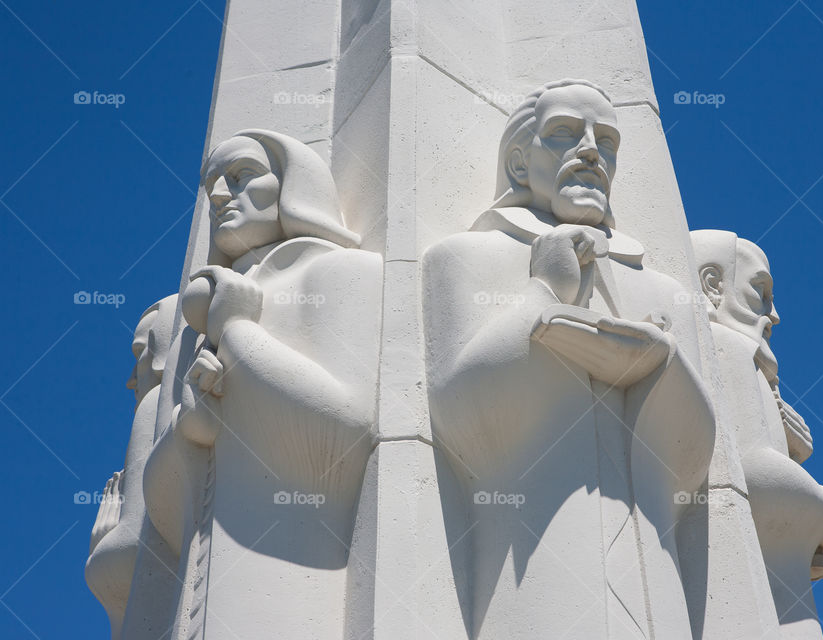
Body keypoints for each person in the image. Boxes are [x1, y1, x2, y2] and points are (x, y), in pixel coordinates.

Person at [422, 80, 716, 639]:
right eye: (564, 133)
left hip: (653, 563)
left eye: (606, 141)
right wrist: (542, 295)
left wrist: (662, 363)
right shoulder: (465, 257)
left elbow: (697, 459)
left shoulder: (664, 290)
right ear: (517, 161)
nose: (590, 151)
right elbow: (457, 412)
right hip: (532, 552)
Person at [142, 130, 381, 638]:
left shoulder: (338, 272)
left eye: (242, 175)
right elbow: (160, 519)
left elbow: (350, 425)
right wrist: (194, 429)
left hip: (297, 572)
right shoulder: (193, 331)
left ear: (293, 184)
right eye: (213, 188)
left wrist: (238, 333)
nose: (222, 196)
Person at [690, 229, 823, 640]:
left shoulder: (745, 359)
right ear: (712, 285)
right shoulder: (727, 347)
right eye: (760, 291)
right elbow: (754, 470)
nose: (774, 315)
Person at [86, 294, 177, 639]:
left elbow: (132, 548)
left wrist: (102, 550)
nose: (130, 379)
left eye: (141, 353)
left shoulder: (154, 409)